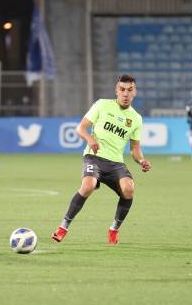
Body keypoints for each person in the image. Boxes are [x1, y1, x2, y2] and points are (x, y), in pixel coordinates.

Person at [51, 74, 151, 245]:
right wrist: (90, 139)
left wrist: (141, 161)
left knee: (129, 189)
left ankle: (114, 229)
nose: (125, 94)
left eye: (129, 90)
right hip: (94, 157)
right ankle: (63, 227)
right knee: (88, 186)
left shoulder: (136, 119)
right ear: (116, 90)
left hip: (116, 163)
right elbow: (81, 128)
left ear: (135, 92)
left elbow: (135, 150)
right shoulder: (102, 105)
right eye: (122, 90)